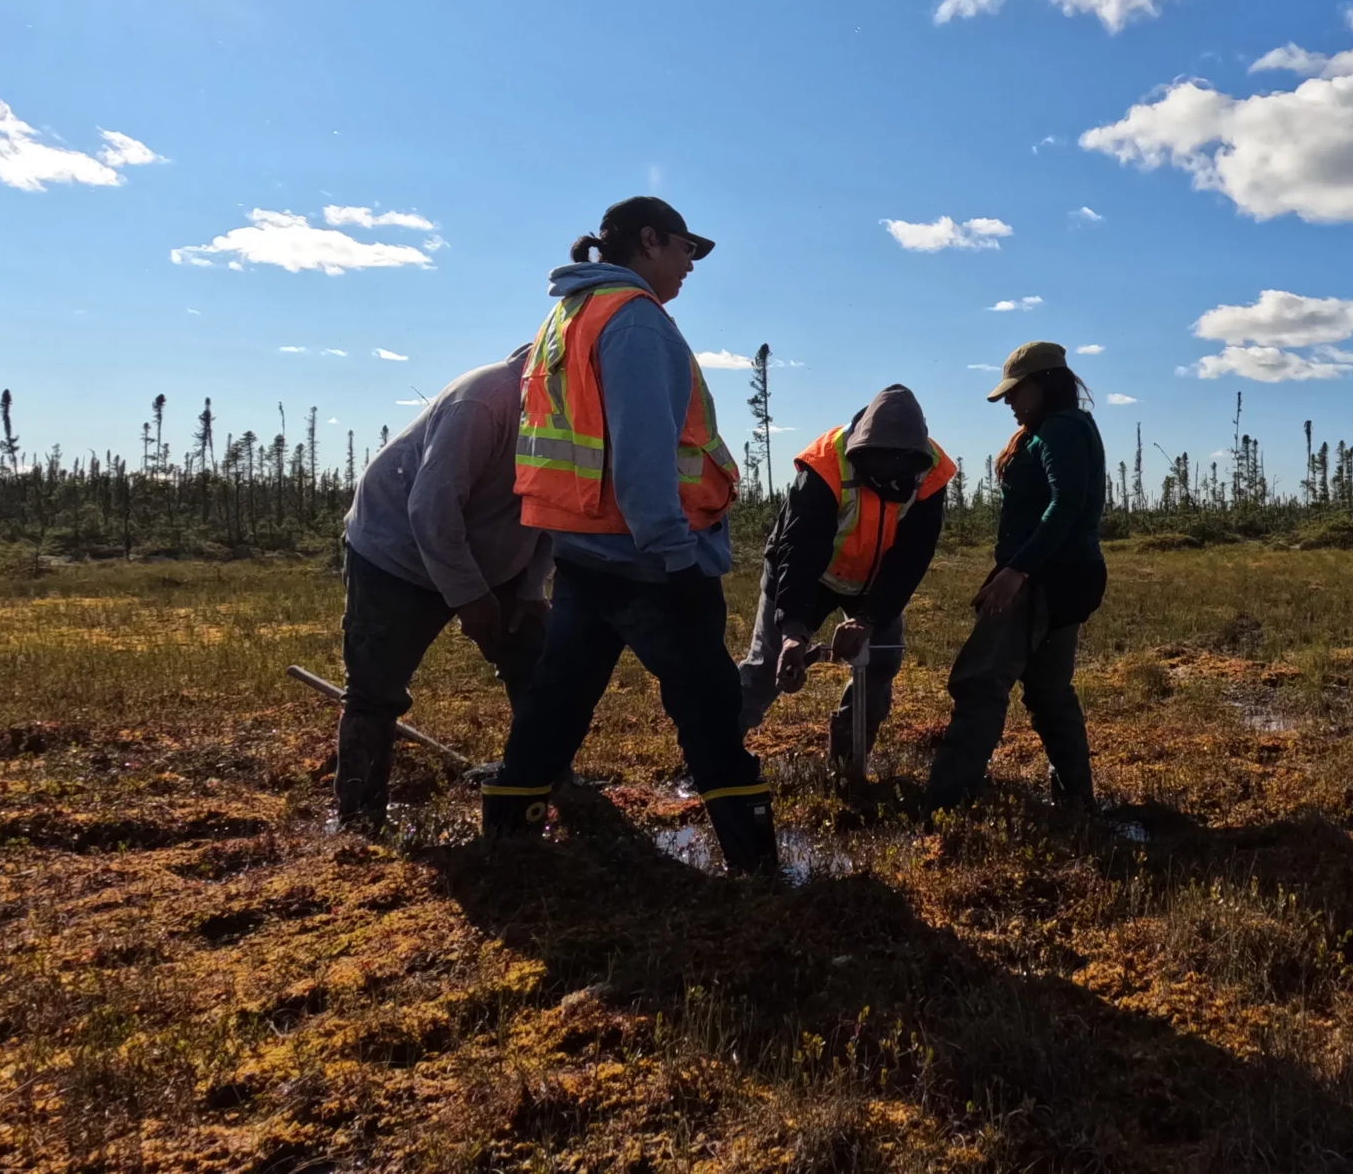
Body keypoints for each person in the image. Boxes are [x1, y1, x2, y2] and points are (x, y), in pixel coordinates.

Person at [480, 197, 777, 874]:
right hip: (651, 560)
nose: (690, 266)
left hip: (585, 553)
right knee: (709, 710)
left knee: (555, 703)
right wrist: (675, 553)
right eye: (684, 250)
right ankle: (757, 867)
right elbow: (644, 455)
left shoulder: (569, 316)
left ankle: (506, 841)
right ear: (649, 240)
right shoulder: (636, 323)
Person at [332, 346, 553, 831]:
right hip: (396, 554)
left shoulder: (575, 411)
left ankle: (543, 781)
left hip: (496, 556)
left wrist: (532, 588)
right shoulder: (485, 398)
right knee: (375, 690)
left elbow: (553, 509)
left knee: (537, 666)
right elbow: (430, 508)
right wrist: (471, 596)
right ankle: (359, 821)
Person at [925, 342, 1107, 812]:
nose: (1008, 402)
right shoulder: (1056, 428)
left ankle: (947, 803)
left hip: (1042, 578)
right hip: (1063, 576)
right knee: (1049, 692)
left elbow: (1065, 504)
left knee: (980, 681)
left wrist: (1017, 572)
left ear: (1042, 384)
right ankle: (1076, 801)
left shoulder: (1061, 431)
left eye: (1015, 391)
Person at [740, 386, 955, 781]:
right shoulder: (826, 464)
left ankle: (846, 764)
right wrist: (793, 632)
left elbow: (911, 559)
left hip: (874, 581)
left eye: (897, 466)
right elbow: (799, 551)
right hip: (809, 573)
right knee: (766, 665)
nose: (887, 473)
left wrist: (870, 619)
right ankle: (714, 758)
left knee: (881, 663)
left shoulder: (930, 474)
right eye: (877, 463)